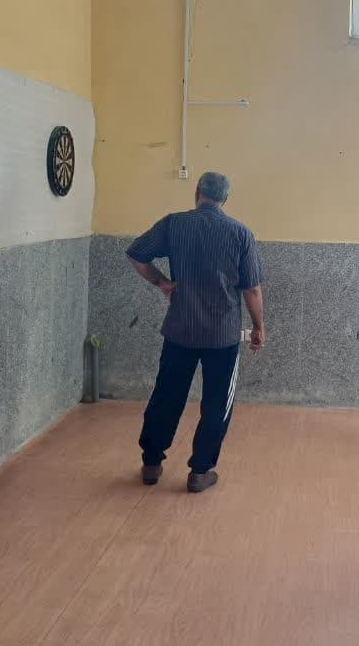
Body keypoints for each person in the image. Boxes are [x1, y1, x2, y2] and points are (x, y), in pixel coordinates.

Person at [126, 172, 265, 494]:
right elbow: (252, 288)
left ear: (197, 192)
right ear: (225, 199)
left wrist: (162, 282)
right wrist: (259, 326)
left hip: (180, 330)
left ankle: (151, 463)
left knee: (166, 395)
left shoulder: (174, 224)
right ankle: (200, 472)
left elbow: (136, 254)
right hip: (222, 335)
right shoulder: (240, 233)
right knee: (217, 403)